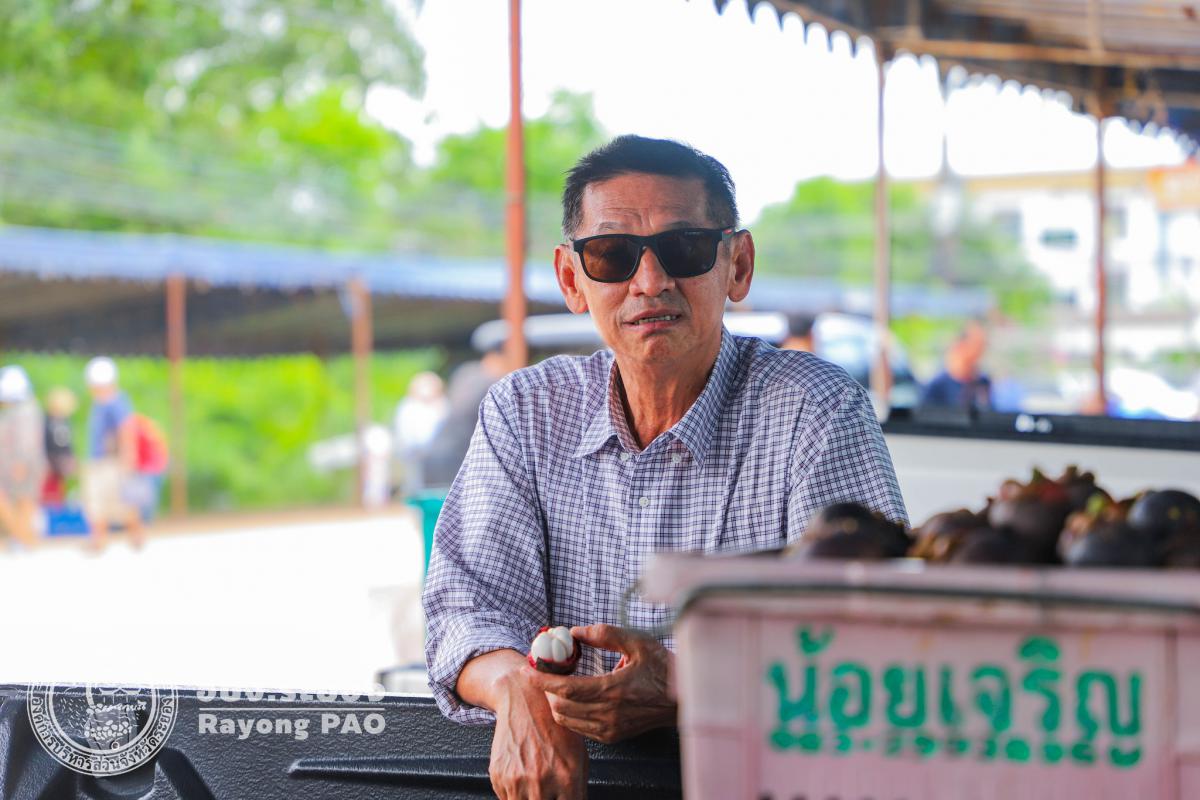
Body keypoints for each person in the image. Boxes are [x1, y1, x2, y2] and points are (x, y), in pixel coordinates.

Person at [421, 135, 907, 799]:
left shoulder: (814, 411)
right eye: (612, 255)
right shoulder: (527, 410)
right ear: (571, 279)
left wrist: (687, 685)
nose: (650, 282)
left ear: (738, 266)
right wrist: (519, 691)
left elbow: (874, 645)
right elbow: (466, 609)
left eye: (684, 248)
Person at [81, 357, 145, 551]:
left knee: (116, 501)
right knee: (100, 501)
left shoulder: (115, 401)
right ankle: (101, 539)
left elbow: (126, 429)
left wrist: (128, 457)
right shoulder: (101, 403)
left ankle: (134, 535)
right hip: (101, 460)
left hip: (111, 461)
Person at [0, 366, 47, 550]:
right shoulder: (18, 410)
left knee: (23, 501)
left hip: (21, 465)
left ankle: (25, 539)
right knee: (21, 501)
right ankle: (23, 538)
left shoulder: (26, 410)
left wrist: (20, 463)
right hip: (13, 465)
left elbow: (26, 441)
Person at [393, 371, 449, 496]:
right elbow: (406, 436)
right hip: (414, 454)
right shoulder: (408, 407)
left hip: (440, 456)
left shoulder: (443, 405)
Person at [919, 319, 993, 411]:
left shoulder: (983, 382)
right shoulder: (937, 385)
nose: (981, 350)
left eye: (982, 344)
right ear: (961, 345)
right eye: (976, 344)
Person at [42, 387, 79, 507]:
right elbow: (45, 443)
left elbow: (66, 443)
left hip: (60, 465)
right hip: (50, 463)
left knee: (59, 494)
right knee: (49, 495)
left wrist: (70, 458)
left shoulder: (64, 422)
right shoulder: (46, 421)